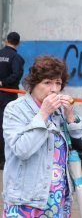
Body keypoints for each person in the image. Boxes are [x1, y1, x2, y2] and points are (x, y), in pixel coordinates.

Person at [2, 55, 82, 216]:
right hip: (26, 199)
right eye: (47, 82)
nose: (54, 89)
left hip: (58, 197)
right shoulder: (15, 109)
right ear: (33, 84)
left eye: (58, 83)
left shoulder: (61, 110)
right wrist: (43, 115)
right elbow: (21, 150)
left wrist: (70, 117)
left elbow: (81, 147)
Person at [0, 31, 25, 169]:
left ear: (6, 40)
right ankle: (4, 159)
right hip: (8, 97)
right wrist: (3, 83)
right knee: (7, 127)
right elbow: (16, 75)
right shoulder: (16, 57)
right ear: (18, 43)